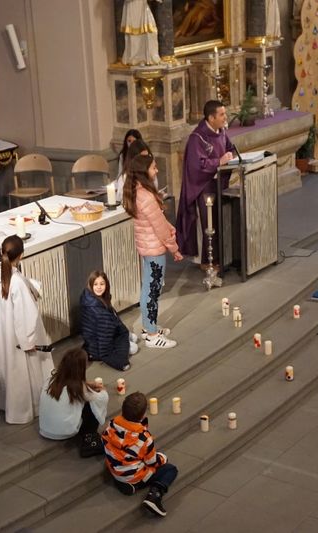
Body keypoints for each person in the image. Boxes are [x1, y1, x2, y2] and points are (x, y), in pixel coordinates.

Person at [123, 153, 182, 349]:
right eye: (153, 167)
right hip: (154, 249)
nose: (156, 171)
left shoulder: (138, 192)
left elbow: (158, 221)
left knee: (149, 288)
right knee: (152, 290)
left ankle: (149, 326)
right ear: (144, 171)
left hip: (147, 247)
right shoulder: (146, 197)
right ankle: (152, 335)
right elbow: (161, 229)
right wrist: (174, 248)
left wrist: (169, 229)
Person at [0, 235, 54, 424]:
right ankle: (27, 409)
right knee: (27, 371)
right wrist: (28, 341)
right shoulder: (17, 282)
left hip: (7, 332)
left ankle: (10, 406)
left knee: (12, 369)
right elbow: (25, 315)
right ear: (21, 255)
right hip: (21, 336)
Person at [175, 100, 234, 268]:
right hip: (204, 187)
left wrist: (232, 156)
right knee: (209, 223)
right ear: (211, 117)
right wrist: (219, 161)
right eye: (222, 114)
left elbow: (230, 148)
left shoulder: (221, 131)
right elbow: (197, 166)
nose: (225, 117)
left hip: (219, 183)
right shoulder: (197, 138)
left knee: (219, 220)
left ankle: (222, 256)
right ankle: (207, 261)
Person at [102, 391, 178, 517]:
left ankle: (122, 481)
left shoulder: (111, 425)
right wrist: (163, 458)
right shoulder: (143, 438)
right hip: (133, 475)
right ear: (143, 414)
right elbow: (152, 462)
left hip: (115, 468)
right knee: (170, 470)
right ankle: (154, 496)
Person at [39, 347, 109, 457]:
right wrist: (103, 390)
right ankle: (89, 437)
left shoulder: (51, 379)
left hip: (45, 429)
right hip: (64, 432)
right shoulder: (77, 388)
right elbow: (101, 398)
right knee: (93, 405)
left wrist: (87, 385)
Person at [80, 271, 136, 371]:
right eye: (95, 284)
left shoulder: (90, 298)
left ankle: (124, 340)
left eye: (102, 284)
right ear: (91, 285)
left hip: (95, 338)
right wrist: (120, 362)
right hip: (96, 345)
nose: (99, 287)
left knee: (132, 337)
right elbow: (104, 343)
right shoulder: (97, 310)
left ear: (106, 285)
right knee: (134, 347)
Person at [120, 0, 161, 66]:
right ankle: (136, 59)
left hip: (143, 6)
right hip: (132, 6)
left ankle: (150, 57)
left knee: (150, 32)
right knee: (134, 33)